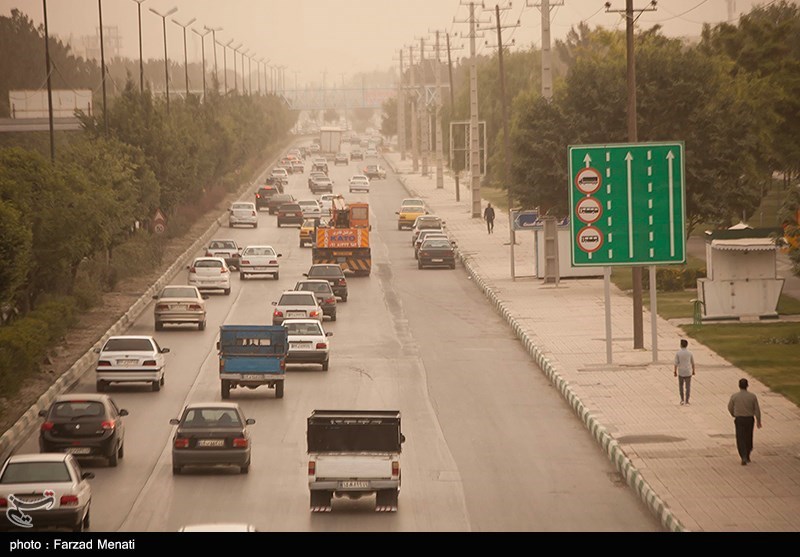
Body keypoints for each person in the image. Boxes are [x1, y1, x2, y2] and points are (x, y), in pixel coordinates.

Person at [728, 378, 762, 466]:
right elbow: (757, 409)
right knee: (748, 436)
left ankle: (743, 455)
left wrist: (733, 414)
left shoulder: (734, 396)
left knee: (740, 437)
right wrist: (759, 420)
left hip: (739, 419)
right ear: (747, 386)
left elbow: (730, 407)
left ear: (739, 386)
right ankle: (747, 453)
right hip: (749, 419)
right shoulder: (752, 396)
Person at [673, 339, 695, 405]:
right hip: (688, 371)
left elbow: (676, 363)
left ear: (681, 345)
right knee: (688, 387)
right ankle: (687, 400)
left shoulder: (678, 353)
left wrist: (675, 371)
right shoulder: (690, 353)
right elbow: (692, 363)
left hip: (681, 371)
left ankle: (682, 399)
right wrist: (693, 370)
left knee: (681, 386)